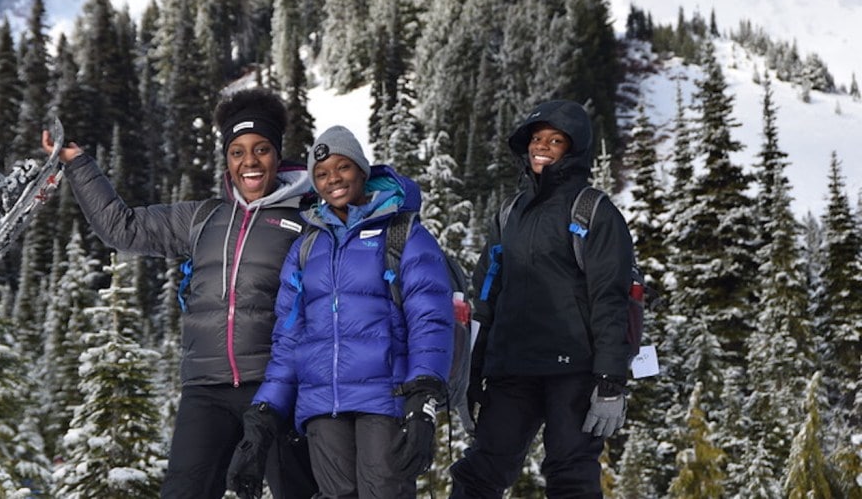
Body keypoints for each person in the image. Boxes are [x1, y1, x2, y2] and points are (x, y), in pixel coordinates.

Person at [42, 87, 317, 499]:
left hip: (278, 387)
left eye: (261, 149)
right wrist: (78, 165)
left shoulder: (306, 219)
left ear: (277, 156)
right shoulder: (202, 218)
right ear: (226, 159)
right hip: (206, 390)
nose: (250, 162)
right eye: (237, 151)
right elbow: (123, 228)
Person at [226, 125, 455, 499]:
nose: (333, 179)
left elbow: (430, 319)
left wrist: (423, 392)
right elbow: (288, 342)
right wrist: (263, 415)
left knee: (385, 492)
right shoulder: (305, 248)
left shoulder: (403, 234)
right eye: (321, 173)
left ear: (362, 169)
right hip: (322, 408)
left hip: (385, 399)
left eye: (343, 167)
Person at [449, 99, 634, 499]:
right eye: (536, 138)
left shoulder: (593, 211)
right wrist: (468, 373)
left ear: (574, 149)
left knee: (571, 475)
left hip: (575, 371)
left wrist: (611, 381)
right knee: (480, 469)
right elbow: (485, 298)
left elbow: (610, 299)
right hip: (511, 369)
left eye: (555, 140)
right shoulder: (509, 214)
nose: (542, 146)